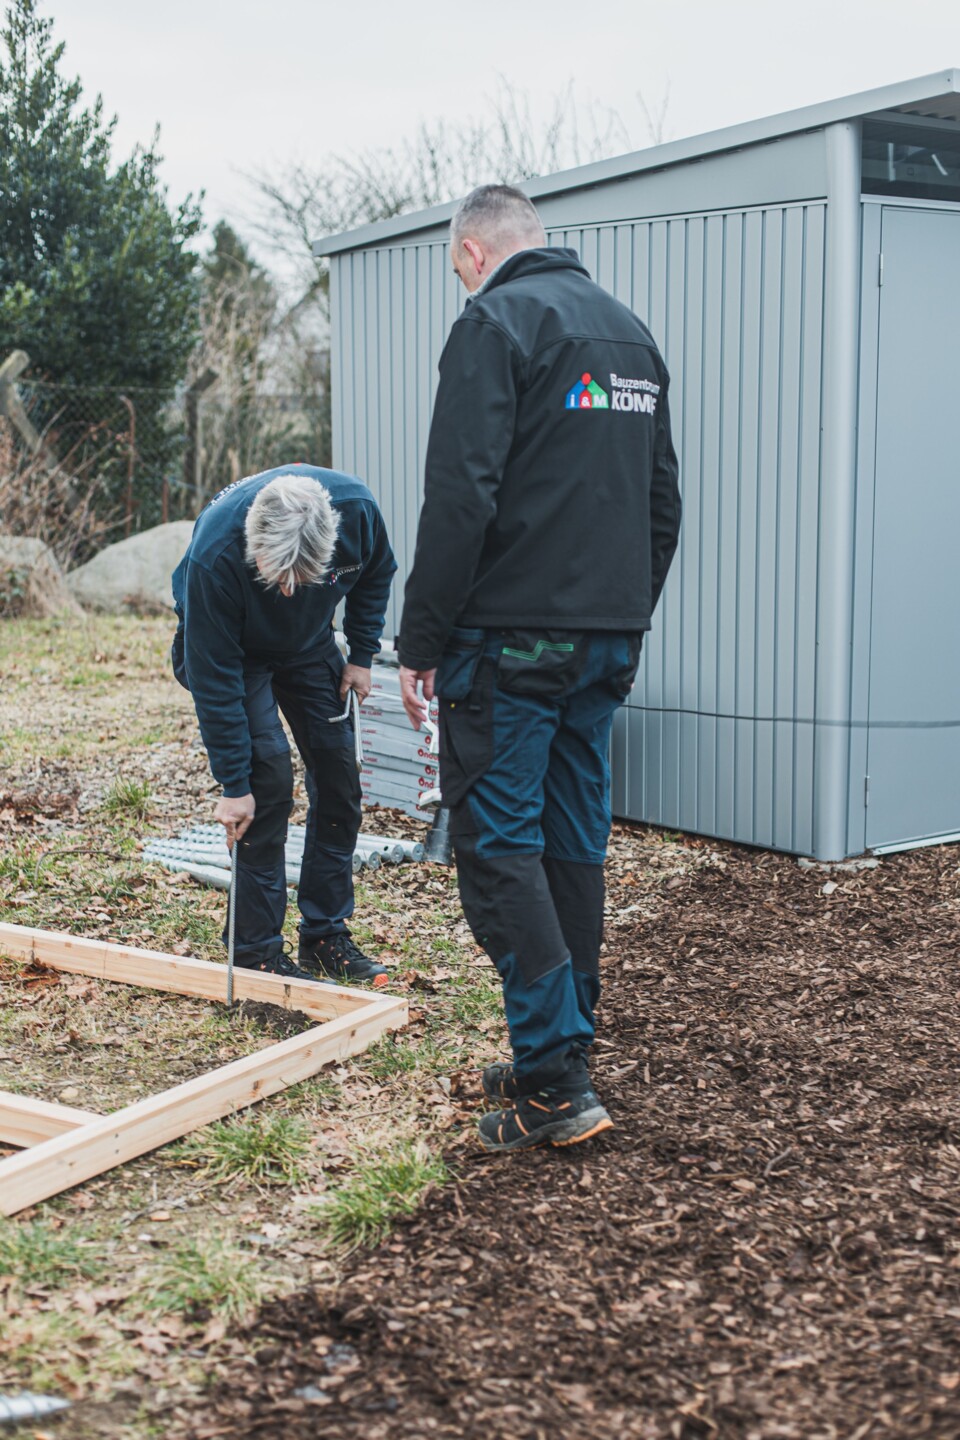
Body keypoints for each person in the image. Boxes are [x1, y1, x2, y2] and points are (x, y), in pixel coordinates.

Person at [397, 185, 681, 1153]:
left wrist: (420, 642)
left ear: (475, 252)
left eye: (454, 265)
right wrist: (626, 620)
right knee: (572, 838)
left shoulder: (496, 321)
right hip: (603, 636)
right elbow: (663, 502)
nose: (459, 278)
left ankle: (554, 1086)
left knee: (499, 845)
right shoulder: (629, 335)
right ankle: (560, 1048)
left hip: (510, 641)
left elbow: (460, 494)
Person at [172, 464, 397, 983]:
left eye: (305, 577)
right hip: (235, 652)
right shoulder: (215, 557)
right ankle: (255, 953)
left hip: (309, 645)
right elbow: (214, 681)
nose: (292, 591)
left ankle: (325, 936)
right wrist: (234, 784)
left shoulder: (357, 514)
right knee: (266, 784)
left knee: (340, 778)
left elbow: (378, 573)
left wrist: (361, 654)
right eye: (279, 578)